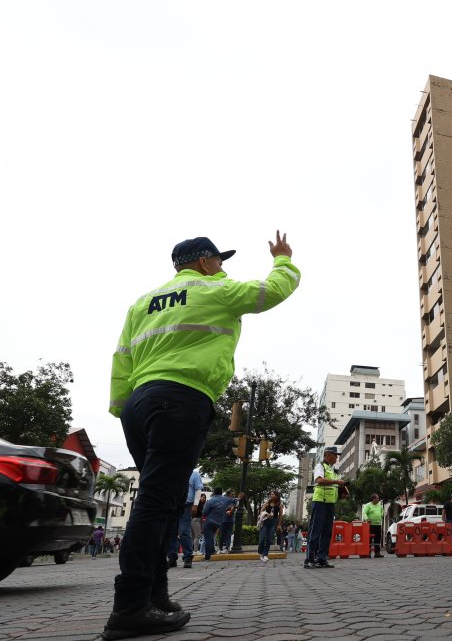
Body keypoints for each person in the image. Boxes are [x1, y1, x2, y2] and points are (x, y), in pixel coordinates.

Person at [102, 232, 300, 641]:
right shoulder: (215, 288)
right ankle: (131, 606)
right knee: (159, 502)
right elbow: (271, 292)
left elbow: (121, 358)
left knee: (167, 501)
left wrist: (124, 409)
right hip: (182, 397)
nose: (224, 267)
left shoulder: (143, 302)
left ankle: (156, 597)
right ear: (205, 262)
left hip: (139, 403)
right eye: (220, 261)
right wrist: (283, 260)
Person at [304, 446, 348, 569]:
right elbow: (319, 480)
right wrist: (337, 482)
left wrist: (342, 492)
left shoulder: (333, 470)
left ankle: (321, 558)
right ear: (327, 454)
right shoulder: (320, 466)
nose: (337, 457)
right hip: (320, 502)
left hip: (330, 503)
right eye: (335, 455)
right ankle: (309, 559)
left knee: (327, 532)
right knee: (315, 530)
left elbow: (334, 486)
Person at [167, 469, 203, 569]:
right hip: (172, 504)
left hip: (186, 505)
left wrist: (195, 504)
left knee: (184, 531)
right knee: (171, 531)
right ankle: (172, 558)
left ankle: (187, 557)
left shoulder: (194, 474)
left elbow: (198, 489)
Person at [201, 488, 237, 561]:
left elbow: (204, 512)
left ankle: (207, 556)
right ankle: (212, 550)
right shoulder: (226, 499)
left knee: (208, 538)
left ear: (214, 493)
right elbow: (235, 500)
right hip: (219, 522)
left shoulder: (211, 501)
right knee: (212, 537)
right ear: (221, 492)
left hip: (209, 521)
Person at [257, 491, 282, 561]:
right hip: (265, 522)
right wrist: (267, 514)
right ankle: (260, 553)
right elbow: (261, 510)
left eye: (273, 494)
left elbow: (280, 516)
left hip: (273, 523)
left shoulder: (280, 504)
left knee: (269, 540)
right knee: (261, 539)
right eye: (270, 494)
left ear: (276, 496)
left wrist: (279, 525)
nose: (271, 495)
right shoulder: (267, 503)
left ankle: (265, 554)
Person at [362, 493, 385, 558]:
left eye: (378, 498)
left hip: (378, 525)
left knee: (377, 539)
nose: (378, 499)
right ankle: (368, 553)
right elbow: (364, 513)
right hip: (370, 525)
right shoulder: (368, 505)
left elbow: (382, 511)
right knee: (369, 539)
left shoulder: (379, 505)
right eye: (377, 498)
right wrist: (367, 519)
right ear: (373, 499)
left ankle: (377, 553)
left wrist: (381, 515)